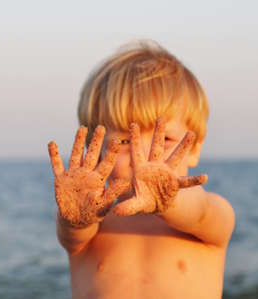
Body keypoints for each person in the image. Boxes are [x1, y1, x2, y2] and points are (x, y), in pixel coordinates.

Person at [47, 40, 235, 299]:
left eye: (165, 139)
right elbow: (72, 237)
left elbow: (202, 213)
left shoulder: (210, 216)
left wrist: (169, 200)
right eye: (125, 141)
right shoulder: (95, 223)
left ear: (194, 148)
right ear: (96, 149)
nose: (144, 156)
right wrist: (74, 218)